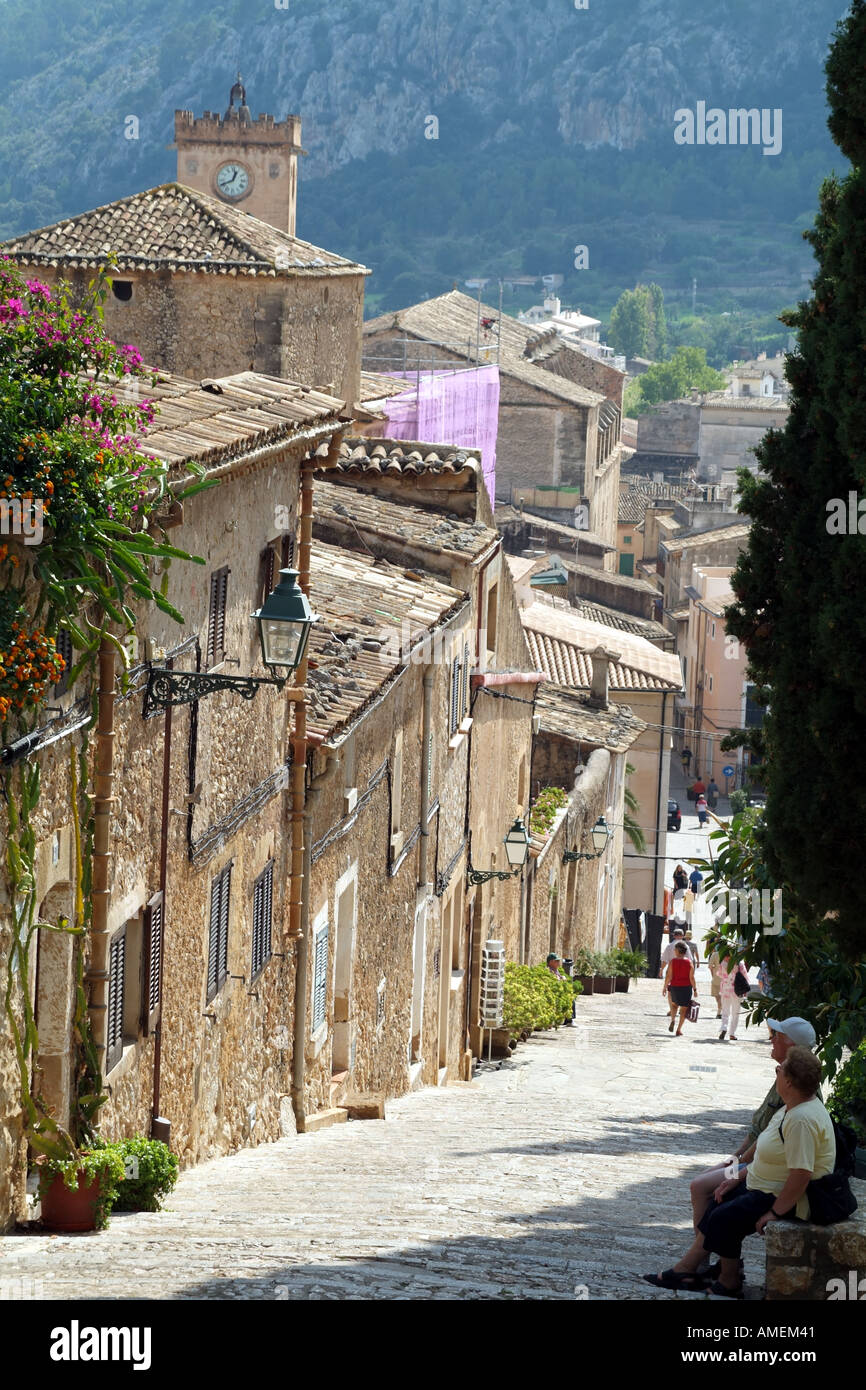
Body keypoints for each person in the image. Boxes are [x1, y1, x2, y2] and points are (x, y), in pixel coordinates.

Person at [644, 1046, 834, 1297]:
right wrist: (734, 1179)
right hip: (766, 1184)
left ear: (788, 1080)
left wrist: (774, 1213)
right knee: (716, 1202)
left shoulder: (801, 1119)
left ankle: (728, 1280)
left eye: (779, 1070)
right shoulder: (791, 1106)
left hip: (789, 1197)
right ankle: (691, 1269)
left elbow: (801, 1174)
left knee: (723, 1218)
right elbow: (766, 1156)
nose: (775, 1072)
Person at [686, 1017, 818, 1240]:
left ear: (792, 1047)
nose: (771, 1039)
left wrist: (736, 1165)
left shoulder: (796, 1088)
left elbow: (766, 1141)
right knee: (702, 1182)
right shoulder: (784, 1077)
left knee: (700, 1186)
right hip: (747, 1161)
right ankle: (701, 1255)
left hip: (757, 1167)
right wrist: (733, 1159)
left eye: (777, 1036)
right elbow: (758, 1132)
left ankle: (698, 1257)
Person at [663, 941, 697, 1036]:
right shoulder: (689, 962)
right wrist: (695, 989)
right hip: (686, 988)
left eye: (675, 949)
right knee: (684, 1010)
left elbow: (669, 976)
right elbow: (692, 978)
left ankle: (673, 1019)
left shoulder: (672, 962)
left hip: (674, 987)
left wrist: (665, 987)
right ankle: (678, 1029)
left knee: (674, 1005)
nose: (674, 950)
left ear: (678, 951)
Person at [717, 955, 750, 1040]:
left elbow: (719, 974)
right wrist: (745, 990)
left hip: (725, 989)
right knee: (736, 1013)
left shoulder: (722, 963)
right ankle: (732, 1033)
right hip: (737, 990)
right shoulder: (739, 963)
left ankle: (724, 1027)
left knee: (725, 1010)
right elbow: (745, 976)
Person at [706, 937, 723, 1019]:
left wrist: (713, 974)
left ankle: (719, 1011)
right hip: (727, 979)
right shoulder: (729, 954)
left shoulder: (715, 954)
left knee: (717, 996)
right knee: (723, 996)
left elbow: (710, 966)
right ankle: (721, 1010)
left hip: (716, 977)